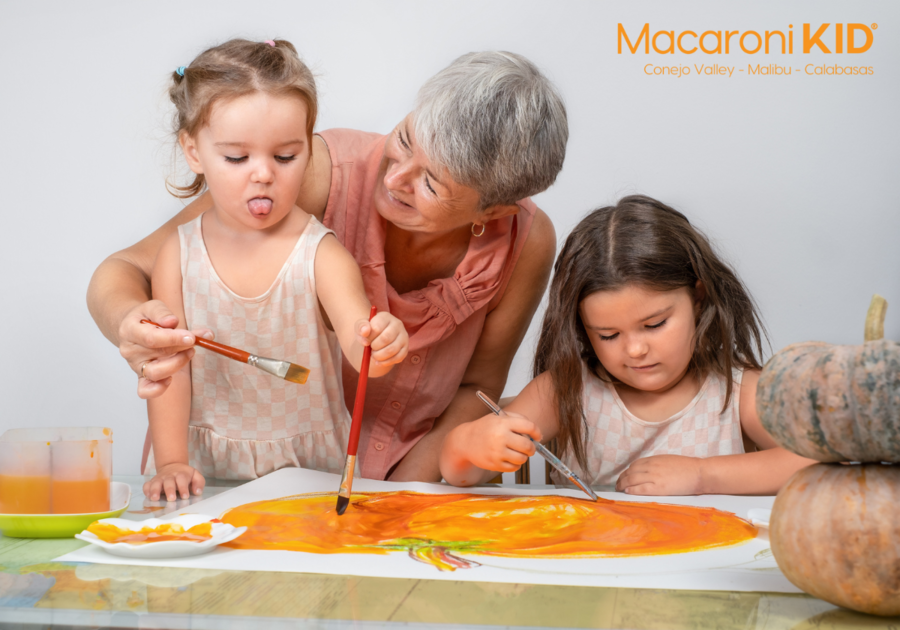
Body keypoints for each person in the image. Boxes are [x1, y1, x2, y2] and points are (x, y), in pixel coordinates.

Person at [87, 51, 566, 482]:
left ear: (495, 211)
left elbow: (477, 388)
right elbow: (123, 269)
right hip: (267, 470)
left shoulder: (527, 239)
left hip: (389, 467)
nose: (394, 177)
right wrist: (133, 324)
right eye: (404, 139)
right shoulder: (312, 172)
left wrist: (402, 494)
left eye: (433, 185)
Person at [142, 39, 408, 502]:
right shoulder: (176, 254)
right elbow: (170, 370)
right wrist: (170, 463)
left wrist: (379, 344)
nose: (263, 174)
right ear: (193, 152)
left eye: (285, 156)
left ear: (308, 149)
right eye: (237, 158)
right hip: (201, 470)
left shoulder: (320, 252)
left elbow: (357, 340)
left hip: (310, 477)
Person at [440, 195, 815, 495]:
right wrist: (472, 444)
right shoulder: (565, 390)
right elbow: (457, 473)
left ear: (698, 298)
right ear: (582, 329)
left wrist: (704, 476)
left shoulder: (736, 392)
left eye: (654, 324)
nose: (634, 350)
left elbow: (814, 461)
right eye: (608, 335)